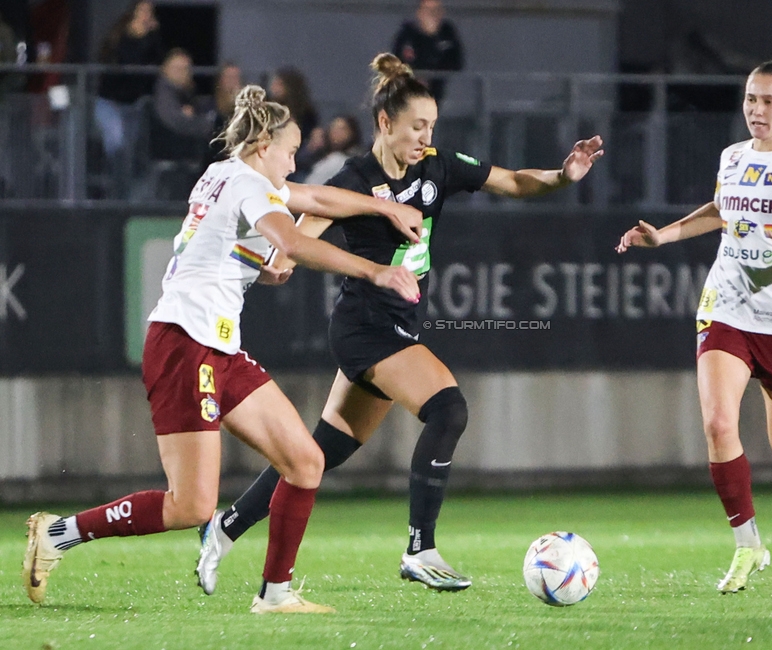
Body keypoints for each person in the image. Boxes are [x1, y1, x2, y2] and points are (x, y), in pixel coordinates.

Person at [194, 52, 603, 594]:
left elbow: (515, 182)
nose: (426, 136)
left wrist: (561, 174)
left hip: (397, 326)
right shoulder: (355, 179)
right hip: (367, 327)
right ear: (385, 123)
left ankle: (225, 527)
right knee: (449, 409)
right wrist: (282, 257)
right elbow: (307, 223)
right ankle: (420, 548)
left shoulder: (436, 164)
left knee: (321, 452)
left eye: (432, 125)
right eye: (417, 126)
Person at [23, 84, 425, 614]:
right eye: (290, 151)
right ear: (264, 148)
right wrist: (376, 269)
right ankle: (59, 534)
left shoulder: (226, 174)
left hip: (216, 346)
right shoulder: (248, 186)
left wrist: (382, 207)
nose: (293, 161)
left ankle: (275, 595)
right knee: (191, 504)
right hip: (185, 345)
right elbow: (295, 241)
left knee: (305, 461)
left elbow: (317, 199)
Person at [616, 55, 772, 596]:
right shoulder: (732, 157)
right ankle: (748, 544)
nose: (756, 109)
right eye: (750, 99)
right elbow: (723, 210)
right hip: (727, 305)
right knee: (720, 425)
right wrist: (665, 237)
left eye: (768, 100)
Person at [95, 1, 164, 158]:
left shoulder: (151, 36)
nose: (146, 15)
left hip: (134, 101)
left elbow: (159, 60)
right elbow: (126, 59)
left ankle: (123, 180)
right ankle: (112, 177)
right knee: (116, 143)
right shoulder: (120, 33)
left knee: (130, 147)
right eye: (142, 10)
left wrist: (153, 34)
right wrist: (142, 36)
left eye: (149, 11)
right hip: (111, 98)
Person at [391, 0, 463, 102]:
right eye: (428, 10)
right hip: (409, 97)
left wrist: (433, 78)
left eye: (436, 10)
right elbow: (397, 62)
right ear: (419, 12)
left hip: (445, 96)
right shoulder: (408, 34)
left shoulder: (447, 33)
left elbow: (456, 63)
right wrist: (415, 78)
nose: (432, 14)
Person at [151, 48, 215, 162]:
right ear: (165, 69)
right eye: (176, 68)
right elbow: (174, 121)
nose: (181, 72)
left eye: (185, 69)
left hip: (189, 147)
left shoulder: (187, 93)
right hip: (173, 149)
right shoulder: (164, 94)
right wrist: (206, 125)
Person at [268, 67, 323, 180]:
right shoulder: (268, 109)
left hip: (299, 161)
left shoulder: (306, 113)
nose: (273, 87)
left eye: (279, 84)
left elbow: (309, 140)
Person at [305, 114, 363, 185]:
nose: (336, 132)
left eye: (341, 129)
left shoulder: (352, 160)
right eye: (333, 127)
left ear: (352, 132)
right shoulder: (320, 154)